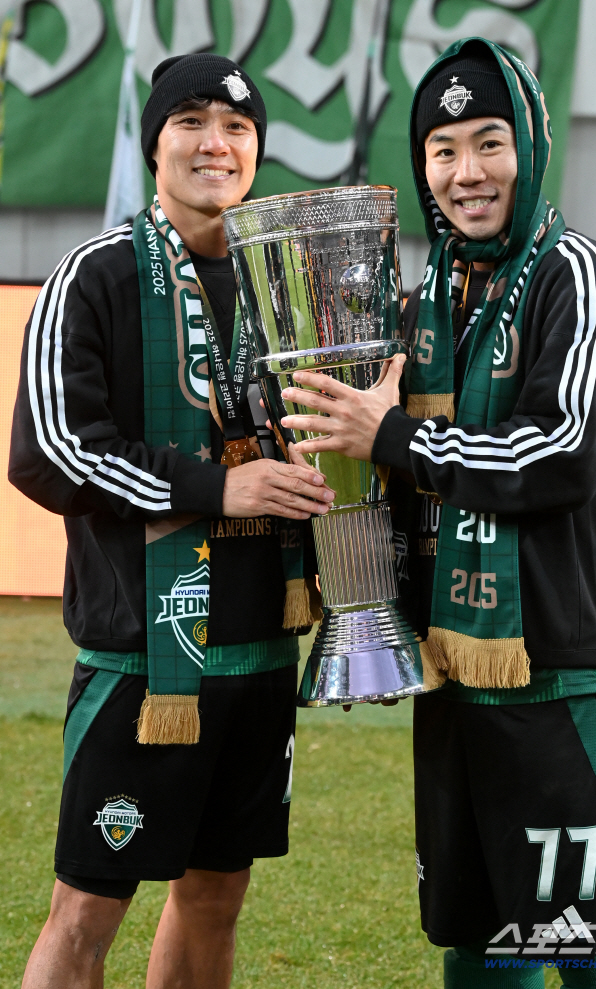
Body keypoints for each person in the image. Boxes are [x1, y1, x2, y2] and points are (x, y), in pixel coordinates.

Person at [280, 37, 596, 989]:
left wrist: (392, 436)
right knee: (475, 938)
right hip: (453, 667)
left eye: (490, 142)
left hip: (558, 669)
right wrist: (365, 606)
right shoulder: (426, 305)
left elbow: (561, 452)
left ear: (531, 146)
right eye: (443, 150)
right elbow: (386, 472)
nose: (467, 171)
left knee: (583, 946)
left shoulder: (581, 277)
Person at [9, 53, 334, 989]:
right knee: (87, 910)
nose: (215, 144)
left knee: (215, 898)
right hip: (142, 657)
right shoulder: (96, 274)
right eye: (190, 122)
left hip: (260, 653)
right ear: (155, 144)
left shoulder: (290, 282)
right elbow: (50, 450)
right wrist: (215, 487)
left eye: (236, 127)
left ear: (258, 149)